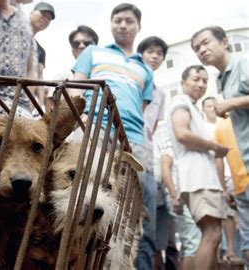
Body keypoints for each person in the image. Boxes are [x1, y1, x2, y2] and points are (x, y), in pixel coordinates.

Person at [71, 3, 155, 269]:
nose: (122, 25)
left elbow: (140, 108)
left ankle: (119, 264)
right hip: (94, 127)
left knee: (130, 206)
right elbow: (76, 86)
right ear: (110, 24)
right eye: (117, 20)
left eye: (128, 21)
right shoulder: (93, 52)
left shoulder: (146, 70)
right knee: (82, 195)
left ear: (138, 26)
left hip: (133, 140)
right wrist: (78, 118)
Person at [168, 65, 229, 270]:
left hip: (202, 178)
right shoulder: (181, 102)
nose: (201, 84)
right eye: (196, 79)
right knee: (211, 233)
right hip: (197, 178)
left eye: (205, 80)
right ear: (183, 82)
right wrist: (215, 147)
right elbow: (182, 134)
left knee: (213, 235)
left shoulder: (192, 107)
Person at [137, 36, 178, 269]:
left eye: (159, 54)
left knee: (148, 228)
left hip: (147, 161)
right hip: (122, 154)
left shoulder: (160, 94)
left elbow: (150, 130)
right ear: (140, 54)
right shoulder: (131, 80)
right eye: (150, 51)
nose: (155, 56)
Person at [191, 26, 249, 173]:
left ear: (224, 43)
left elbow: (233, 103)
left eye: (206, 43)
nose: (202, 50)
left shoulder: (243, 64)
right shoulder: (220, 79)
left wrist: (230, 103)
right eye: (197, 48)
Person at [202, 96, 244, 265]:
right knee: (224, 215)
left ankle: (234, 251)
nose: (212, 108)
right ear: (203, 109)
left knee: (238, 216)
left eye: (214, 105)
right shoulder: (204, 128)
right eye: (208, 106)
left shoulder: (229, 122)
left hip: (236, 173)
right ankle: (226, 252)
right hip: (217, 177)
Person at [159, 137, 202, 270]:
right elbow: (165, 170)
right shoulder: (169, 143)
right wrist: (174, 196)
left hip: (184, 197)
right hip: (177, 197)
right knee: (193, 243)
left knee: (188, 244)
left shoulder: (182, 147)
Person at [214, 116, 249, 266]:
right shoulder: (245, 117)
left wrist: (223, 188)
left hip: (239, 185)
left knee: (247, 238)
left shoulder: (221, 127)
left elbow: (219, 160)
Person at [47, 25, 98, 110]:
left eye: (87, 44)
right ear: (72, 50)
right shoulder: (63, 76)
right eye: (76, 44)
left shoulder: (105, 75)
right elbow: (51, 107)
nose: (81, 46)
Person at [29, 2, 54, 106]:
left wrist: (39, 104)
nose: (45, 19)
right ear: (32, 12)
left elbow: (39, 77)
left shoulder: (40, 50)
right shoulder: (11, 31)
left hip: (25, 99)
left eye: (49, 18)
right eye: (43, 14)